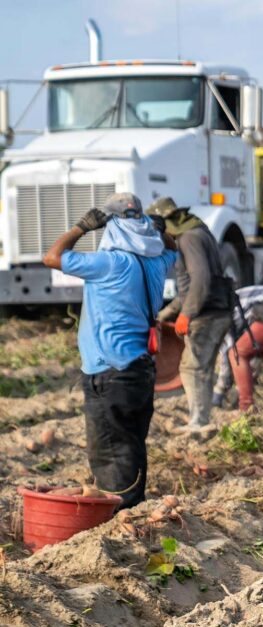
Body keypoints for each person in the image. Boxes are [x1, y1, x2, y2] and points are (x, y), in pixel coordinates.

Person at [42, 193, 178, 509]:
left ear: (112, 226)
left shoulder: (109, 263)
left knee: (110, 451)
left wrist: (80, 228)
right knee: (130, 443)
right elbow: (175, 248)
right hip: (140, 371)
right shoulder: (156, 263)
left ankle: (120, 515)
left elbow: (52, 257)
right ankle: (134, 506)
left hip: (109, 371)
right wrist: (158, 231)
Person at [147, 197, 234, 434]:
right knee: (201, 367)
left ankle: (199, 421)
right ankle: (201, 419)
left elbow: (201, 279)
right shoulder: (197, 233)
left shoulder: (189, 238)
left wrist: (187, 314)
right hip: (216, 309)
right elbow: (187, 289)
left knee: (192, 368)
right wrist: (167, 314)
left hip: (208, 314)